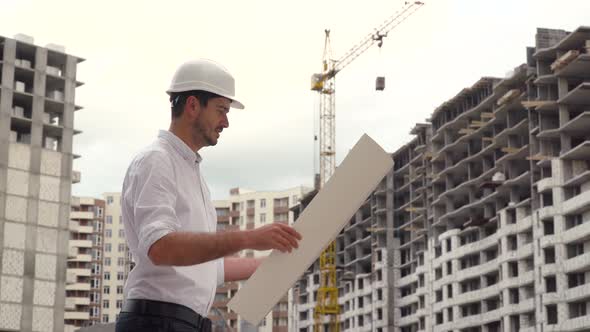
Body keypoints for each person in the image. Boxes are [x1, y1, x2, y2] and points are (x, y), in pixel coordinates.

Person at [115, 59, 302, 332]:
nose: (225, 122)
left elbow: (206, 269)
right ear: (192, 106)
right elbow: (162, 248)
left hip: (179, 323)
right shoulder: (156, 161)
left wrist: (279, 263)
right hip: (157, 323)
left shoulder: (192, 174)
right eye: (221, 110)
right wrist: (250, 238)